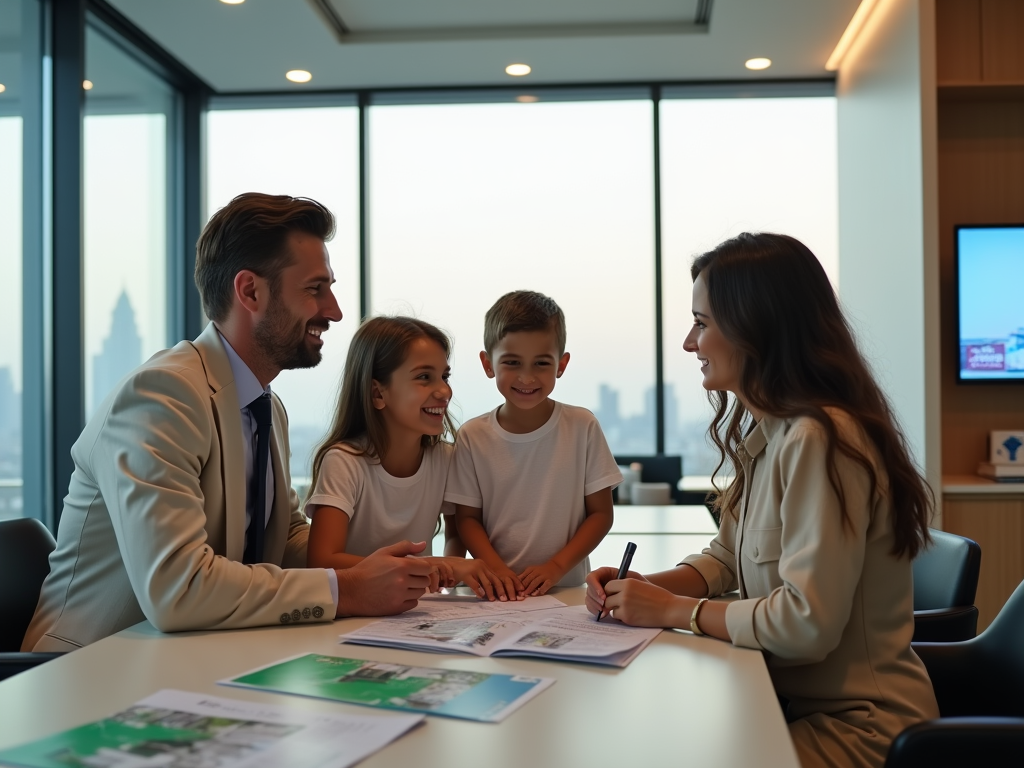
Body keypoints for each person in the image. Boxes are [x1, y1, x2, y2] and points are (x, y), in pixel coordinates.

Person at [585, 233, 939, 768]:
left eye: (701, 323)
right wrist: (645, 589)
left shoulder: (819, 441)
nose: (688, 342)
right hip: (790, 705)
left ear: (756, 328)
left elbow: (806, 624)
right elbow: (727, 558)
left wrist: (677, 611)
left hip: (861, 728)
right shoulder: (772, 434)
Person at [24, 193, 433, 653]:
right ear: (250, 292)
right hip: (88, 675)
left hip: (193, 658)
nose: (334, 310)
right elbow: (179, 589)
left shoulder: (264, 405)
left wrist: (374, 567)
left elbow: (281, 537)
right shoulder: (162, 396)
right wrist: (349, 589)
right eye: (315, 289)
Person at [445, 290, 621, 601]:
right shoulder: (472, 436)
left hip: (567, 592)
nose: (527, 377)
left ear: (561, 365)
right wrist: (497, 570)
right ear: (488, 364)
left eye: (541, 363)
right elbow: (467, 519)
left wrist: (556, 566)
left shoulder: (583, 426)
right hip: (494, 592)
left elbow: (601, 515)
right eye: (512, 362)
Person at [305, 315, 496, 596]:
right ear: (377, 393)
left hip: (418, 610)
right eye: (423, 377)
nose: (444, 391)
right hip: (356, 611)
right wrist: (432, 565)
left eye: (444, 376)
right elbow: (321, 562)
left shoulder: (446, 458)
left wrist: (446, 573)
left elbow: (455, 535)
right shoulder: (344, 462)